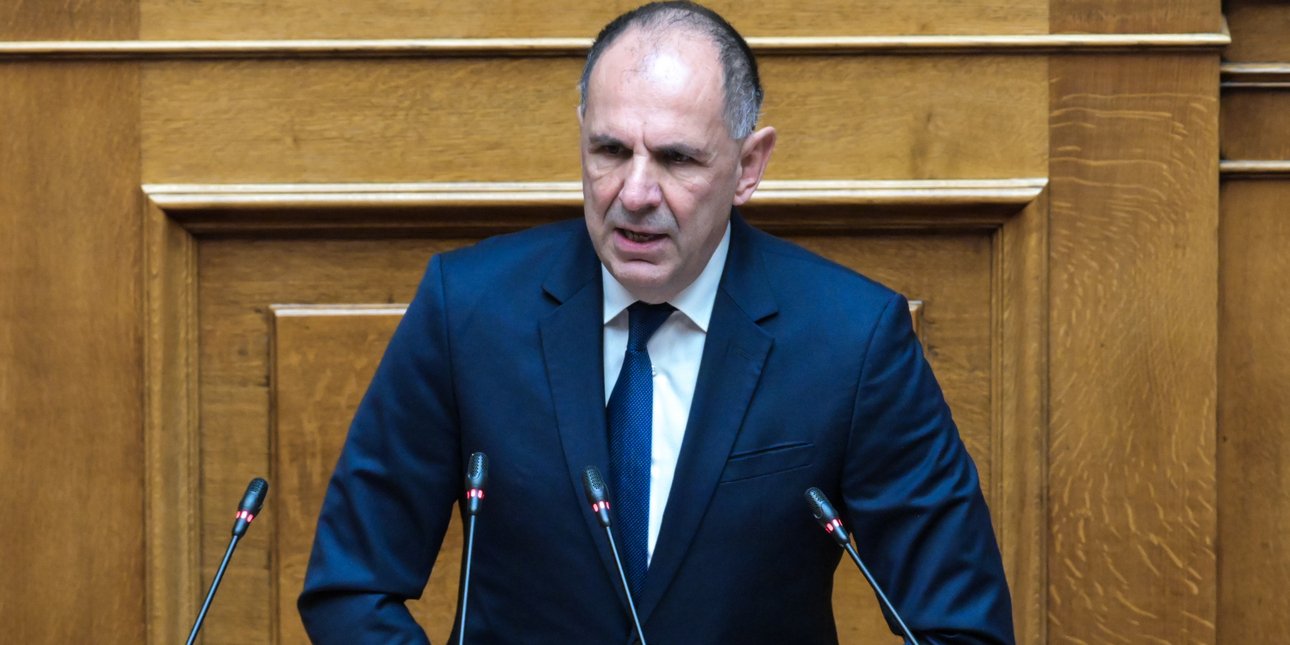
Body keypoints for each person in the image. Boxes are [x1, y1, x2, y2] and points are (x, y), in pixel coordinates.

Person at [298, 2, 1014, 643]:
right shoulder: (468, 310)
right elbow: (351, 587)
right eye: (610, 151)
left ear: (749, 165)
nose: (635, 193)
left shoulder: (852, 340)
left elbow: (961, 627)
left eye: (677, 159)